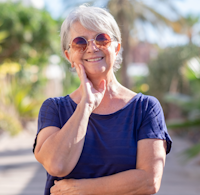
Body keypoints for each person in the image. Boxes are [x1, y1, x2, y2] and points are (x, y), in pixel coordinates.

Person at [33, 5, 172, 195]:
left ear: (117, 47)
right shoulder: (54, 108)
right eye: (80, 42)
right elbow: (57, 165)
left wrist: (81, 189)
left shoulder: (146, 108)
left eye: (102, 39)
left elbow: (149, 181)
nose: (92, 48)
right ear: (69, 56)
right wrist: (86, 105)